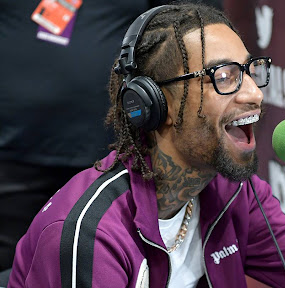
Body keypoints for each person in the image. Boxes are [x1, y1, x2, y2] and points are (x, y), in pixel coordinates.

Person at [9, 3, 285, 288]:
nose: (254, 94)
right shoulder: (90, 236)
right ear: (155, 104)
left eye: (250, 72)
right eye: (224, 76)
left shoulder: (233, 194)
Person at [0, 0, 221, 273]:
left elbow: (188, 27)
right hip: (12, 154)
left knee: (102, 265)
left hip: (109, 158)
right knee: (11, 270)